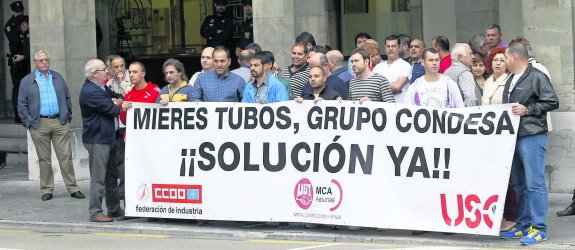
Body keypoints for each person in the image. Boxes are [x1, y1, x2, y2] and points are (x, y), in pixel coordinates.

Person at [499, 41, 559, 245]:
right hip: (515, 136)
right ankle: (524, 224)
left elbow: (552, 101)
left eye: (506, 57)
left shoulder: (536, 76)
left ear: (515, 57)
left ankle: (539, 227)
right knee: (519, 184)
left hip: (532, 134)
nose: (504, 60)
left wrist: (528, 110)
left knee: (535, 183)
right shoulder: (510, 79)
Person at [17, 49, 84, 201]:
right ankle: (47, 189)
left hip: (59, 122)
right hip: (38, 124)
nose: (44, 62)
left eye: (46, 59)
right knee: (44, 159)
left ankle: (73, 188)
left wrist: (67, 116)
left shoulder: (57, 77)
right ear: (35, 63)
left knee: (65, 157)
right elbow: (21, 104)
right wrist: (29, 122)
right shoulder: (27, 81)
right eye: (41, 60)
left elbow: (67, 97)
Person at [79, 59, 125, 222]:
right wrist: (117, 103)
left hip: (110, 137)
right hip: (98, 139)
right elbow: (112, 109)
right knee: (98, 177)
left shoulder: (100, 86)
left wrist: (116, 101)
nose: (107, 71)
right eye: (103, 69)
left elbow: (118, 96)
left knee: (112, 176)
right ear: (94, 74)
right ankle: (95, 211)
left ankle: (113, 208)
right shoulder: (90, 91)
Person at [481, 46, 515, 232]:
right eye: (495, 60)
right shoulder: (487, 82)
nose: (498, 63)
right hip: (490, 135)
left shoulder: (510, 81)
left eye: (502, 60)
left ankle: (511, 216)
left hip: (505, 134)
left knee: (508, 177)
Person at [5, 1, 29, 123]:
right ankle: (19, 115)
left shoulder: (9, 24)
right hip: (21, 60)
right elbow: (17, 41)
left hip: (21, 59)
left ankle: (19, 115)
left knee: (18, 88)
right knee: (20, 87)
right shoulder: (17, 23)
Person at [373, 35, 412, 102]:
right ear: (385, 48)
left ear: (399, 48)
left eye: (393, 46)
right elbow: (372, 88)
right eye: (388, 46)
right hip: (381, 109)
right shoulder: (378, 67)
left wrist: (378, 87)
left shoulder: (405, 65)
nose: (390, 49)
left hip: (399, 109)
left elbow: (397, 87)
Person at [120, 62, 161, 126]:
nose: (131, 75)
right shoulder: (128, 96)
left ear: (143, 74)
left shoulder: (155, 92)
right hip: (133, 135)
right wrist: (123, 110)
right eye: (130, 72)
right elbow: (125, 122)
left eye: (135, 72)